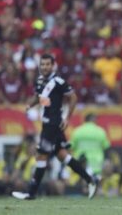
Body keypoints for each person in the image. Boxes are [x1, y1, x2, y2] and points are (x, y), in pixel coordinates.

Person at [12, 54, 96, 200]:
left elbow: (73, 97)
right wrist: (29, 105)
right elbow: (38, 97)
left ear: (53, 65)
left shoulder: (58, 81)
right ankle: (90, 180)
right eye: (42, 64)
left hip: (53, 123)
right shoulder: (40, 80)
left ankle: (31, 193)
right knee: (63, 156)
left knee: (41, 156)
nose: (44, 67)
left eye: (47, 64)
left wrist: (67, 118)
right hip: (46, 122)